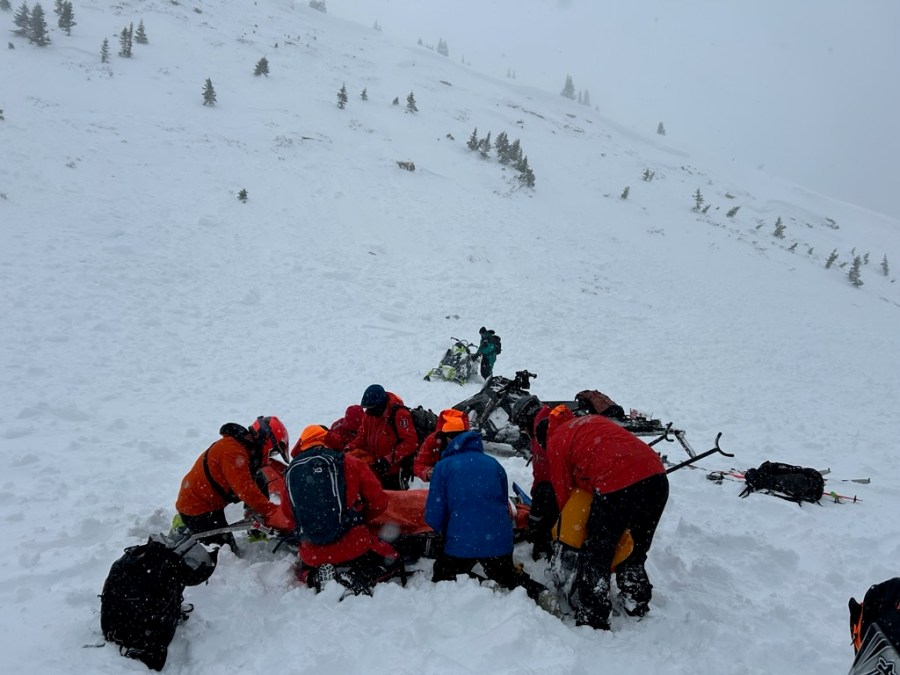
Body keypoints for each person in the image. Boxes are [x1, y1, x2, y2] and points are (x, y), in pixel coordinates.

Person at [541, 403, 669, 630]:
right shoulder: (589, 422)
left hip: (619, 484)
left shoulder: (555, 441)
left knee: (598, 553)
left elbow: (565, 494)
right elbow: (604, 456)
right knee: (637, 546)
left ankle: (594, 615)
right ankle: (636, 599)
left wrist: (566, 530)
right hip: (656, 477)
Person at [424, 423, 549, 607]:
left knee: (444, 576)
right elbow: (502, 502)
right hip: (499, 539)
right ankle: (539, 592)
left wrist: (443, 534)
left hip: (462, 542)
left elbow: (434, 513)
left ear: (449, 439)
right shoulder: (493, 464)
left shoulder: (443, 467)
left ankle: (485, 589)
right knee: (506, 575)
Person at [280, 424, 402, 594]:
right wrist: (362, 517)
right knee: (391, 561)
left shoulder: (291, 473)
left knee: (307, 564)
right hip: (352, 544)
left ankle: (312, 576)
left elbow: (288, 513)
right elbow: (379, 501)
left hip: (311, 550)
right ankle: (356, 576)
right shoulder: (348, 462)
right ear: (327, 439)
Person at [175, 416, 289, 553]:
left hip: (209, 501)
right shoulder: (233, 452)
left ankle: (256, 530)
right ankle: (184, 525)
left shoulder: (243, 447)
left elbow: (267, 472)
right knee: (225, 552)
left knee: (259, 478)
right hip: (197, 508)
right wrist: (272, 511)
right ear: (265, 441)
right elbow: (245, 490)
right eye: (273, 451)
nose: (270, 457)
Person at [510, 395, 558, 561]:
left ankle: (545, 552)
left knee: (544, 518)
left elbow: (545, 478)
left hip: (559, 490)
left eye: (522, 427)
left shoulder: (543, 432)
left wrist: (535, 519)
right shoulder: (550, 421)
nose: (523, 431)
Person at [346, 384, 419, 490]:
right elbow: (362, 437)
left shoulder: (400, 414)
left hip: (396, 471)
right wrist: (349, 448)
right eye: (367, 408)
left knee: (395, 501)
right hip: (377, 467)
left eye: (371, 408)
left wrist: (388, 460)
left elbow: (411, 442)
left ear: (380, 405)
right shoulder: (369, 416)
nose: (368, 412)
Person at [412, 408, 470, 482]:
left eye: (459, 436)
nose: (456, 441)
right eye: (452, 437)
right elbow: (418, 464)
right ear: (446, 435)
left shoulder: (472, 442)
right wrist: (427, 472)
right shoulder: (433, 441)